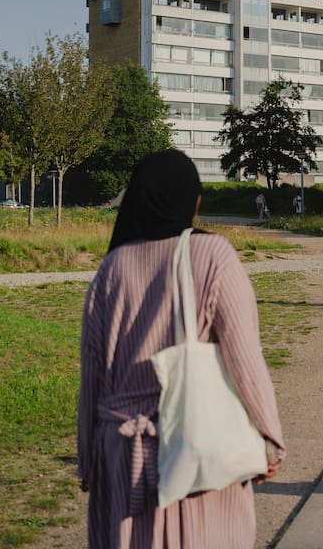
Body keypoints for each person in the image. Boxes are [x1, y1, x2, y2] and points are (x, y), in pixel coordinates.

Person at [78, 149, 284, 548]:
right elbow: (245, 359)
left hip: (121, 457)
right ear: (194, 202)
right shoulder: (212, 256)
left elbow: (93, 375)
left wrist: (89, 458)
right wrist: (269, 438)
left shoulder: (111, 268)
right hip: (196, 447)